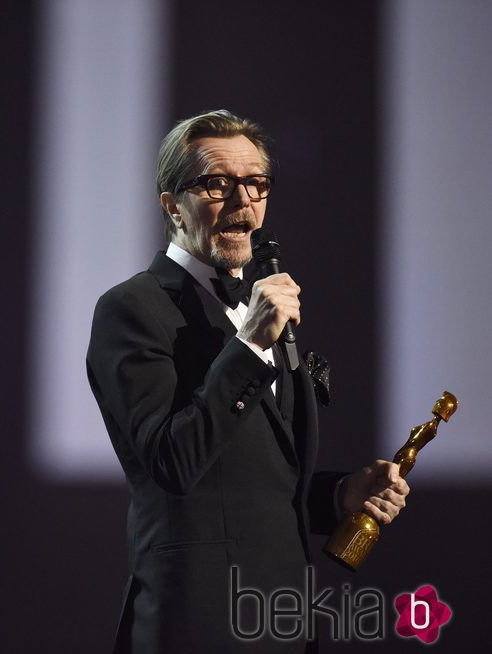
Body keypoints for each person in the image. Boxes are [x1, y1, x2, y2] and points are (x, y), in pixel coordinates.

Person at [86, 110, 410, 653]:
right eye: (217, 183)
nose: (244, 200)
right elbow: (173, 462)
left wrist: (338, 495)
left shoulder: (260, 307)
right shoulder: (132, 309)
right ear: (172, 205)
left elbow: (248, 487)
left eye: (257, 183)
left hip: (279, 622)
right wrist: (251, 344)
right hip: (197, 625)